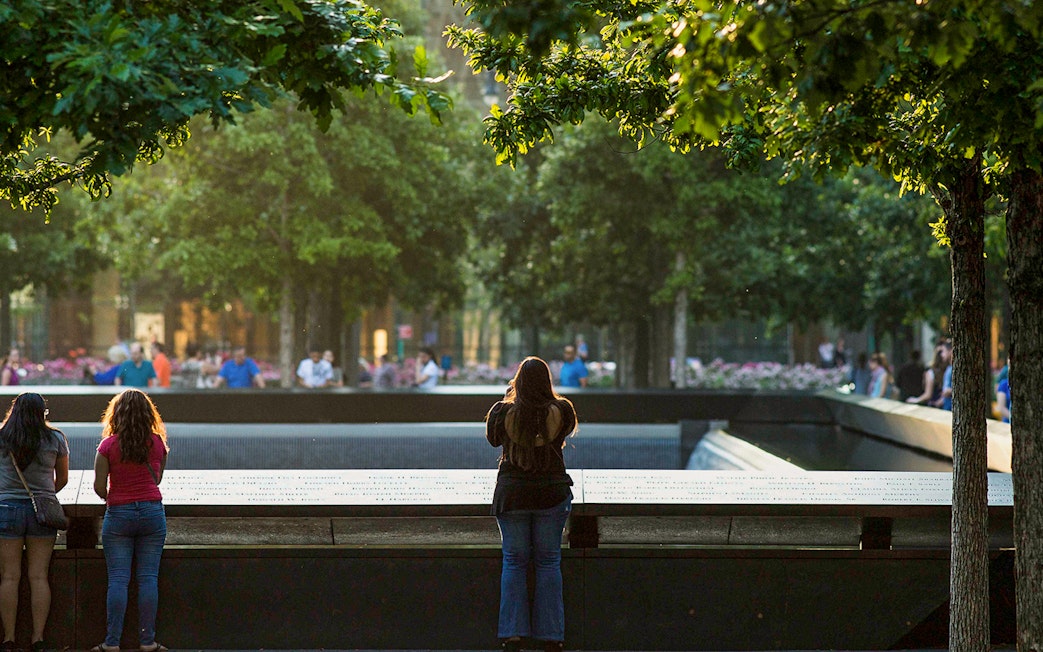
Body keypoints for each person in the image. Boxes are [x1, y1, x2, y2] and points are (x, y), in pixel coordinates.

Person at [485, 357, 577, 652]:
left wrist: (510, 399)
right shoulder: (562, 411)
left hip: (513, 496)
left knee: (514, 561)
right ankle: (551, 636)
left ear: (518, 382)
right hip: (551, 495)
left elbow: (492, 440)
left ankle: (512, 635)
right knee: (549, 562)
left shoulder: (502, 413)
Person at [92, 389, 169, 652]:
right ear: (149, 414)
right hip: (151, 513)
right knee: (148, 578)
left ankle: (112, 643)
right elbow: (156, 480)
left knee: (118, 580)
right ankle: (147, 642)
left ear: (117, 414)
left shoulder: (108, 446)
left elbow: (100, 488)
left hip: (119, 515)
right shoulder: (157, 443)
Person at [0, 393, 69, 651]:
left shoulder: (2, 438)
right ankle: (38, 638)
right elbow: (61, 479)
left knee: (9, 577)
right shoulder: (55, 438)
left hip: (6, 510)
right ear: (43, 412)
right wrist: (44, 494)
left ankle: (9, 638)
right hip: (42, 512)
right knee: (38, 576)